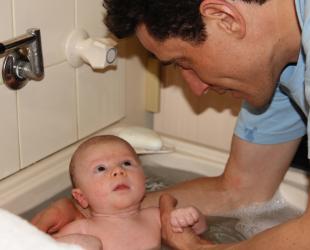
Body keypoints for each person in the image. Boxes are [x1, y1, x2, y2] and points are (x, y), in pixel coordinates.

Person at [31, 0, 310, 249]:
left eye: (183, 61)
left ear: (225, 17)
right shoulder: (281, 68)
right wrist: (93, 214)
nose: (197, 88)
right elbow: (242, 189)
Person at [52, 135, 207, 250]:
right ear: (81, 197)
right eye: (101, 168)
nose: (118, 171)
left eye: (126, 163)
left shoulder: (156, 218)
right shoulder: (82, 230)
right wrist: (73, 243)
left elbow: (198, 232)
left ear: (143, 180)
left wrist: (191, 217)